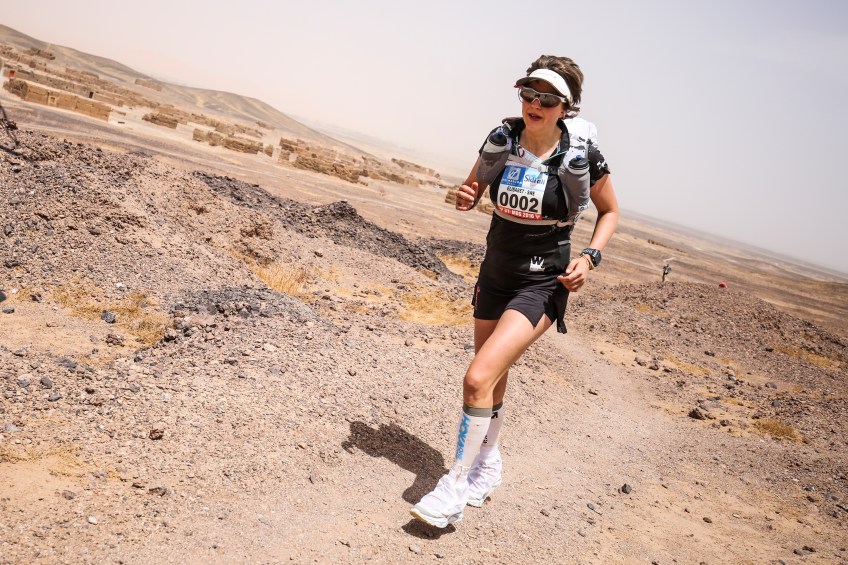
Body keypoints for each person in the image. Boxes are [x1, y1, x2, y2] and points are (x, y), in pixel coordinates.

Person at [410, 55, 619, 528]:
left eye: (547, 98)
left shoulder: (581, 155)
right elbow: (470, 191)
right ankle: (488, 463)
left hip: (543, 280)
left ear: (566, 107)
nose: (534, 104)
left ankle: (454, 485)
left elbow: (610, 211)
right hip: (496, 271)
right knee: (493, 373)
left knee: (476, 377)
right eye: (528, 93)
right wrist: (465, 197)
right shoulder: (503, 138)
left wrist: (590, 257)